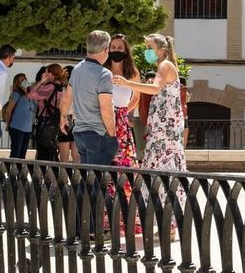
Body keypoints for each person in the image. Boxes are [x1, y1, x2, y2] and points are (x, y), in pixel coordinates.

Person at [114, 34, 187, 173]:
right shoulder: (164, 66)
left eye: (150, 47)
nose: (146, 51)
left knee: (162, 160)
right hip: (163, 124)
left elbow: (155, 88)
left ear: (161, 50)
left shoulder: (165, 66)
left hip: (166, 126)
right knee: (161, 158)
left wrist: (128, 83)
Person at [60, 31, 117, 165]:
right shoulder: (104, 74)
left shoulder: (77, 69)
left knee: (87, 175)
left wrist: (63, 117)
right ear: (106, 49)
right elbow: (106, 108)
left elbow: (67, 97)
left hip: (79, 132)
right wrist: (112, 135)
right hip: (98, 133)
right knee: (98, 176)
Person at [105, 34, 140, 169]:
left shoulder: (133, 73)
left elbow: (136, 97)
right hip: (104, 120)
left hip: (122, 123)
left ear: (126, 51)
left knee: (122, 160)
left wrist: (123, 112)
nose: (116, 50)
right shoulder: (103, 71)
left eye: (120, 47)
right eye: (113, 47)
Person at [27, 63, 68, 161]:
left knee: (43, 150)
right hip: (54, 122)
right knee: (51, 149)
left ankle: (45, 169)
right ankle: (53, 169)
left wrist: (40, 82)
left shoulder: (49, 87)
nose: (44, 74)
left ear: (51, 74)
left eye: (46, 72)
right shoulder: (61, 88)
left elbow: (30, 95)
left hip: (45, 121)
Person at [3, 73, 35, 158]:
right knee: (15, 153)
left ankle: (20, 167)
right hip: (17, 128)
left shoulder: (29, 95)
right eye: (22, 80)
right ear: (17, 83)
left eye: (25, 79)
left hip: (28, 129)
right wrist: (8, 124)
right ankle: (12, 167)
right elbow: (8, 111)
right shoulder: (16, 94)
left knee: (23, 154)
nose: (24, 81)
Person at [59, 64, 79, 163]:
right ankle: (78, 173)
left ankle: (64, 173)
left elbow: (60, 106)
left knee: (65, 154)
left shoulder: (61, 89)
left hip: (66, 121)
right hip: (76, 121)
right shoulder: (78, 89)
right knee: (76, 154)